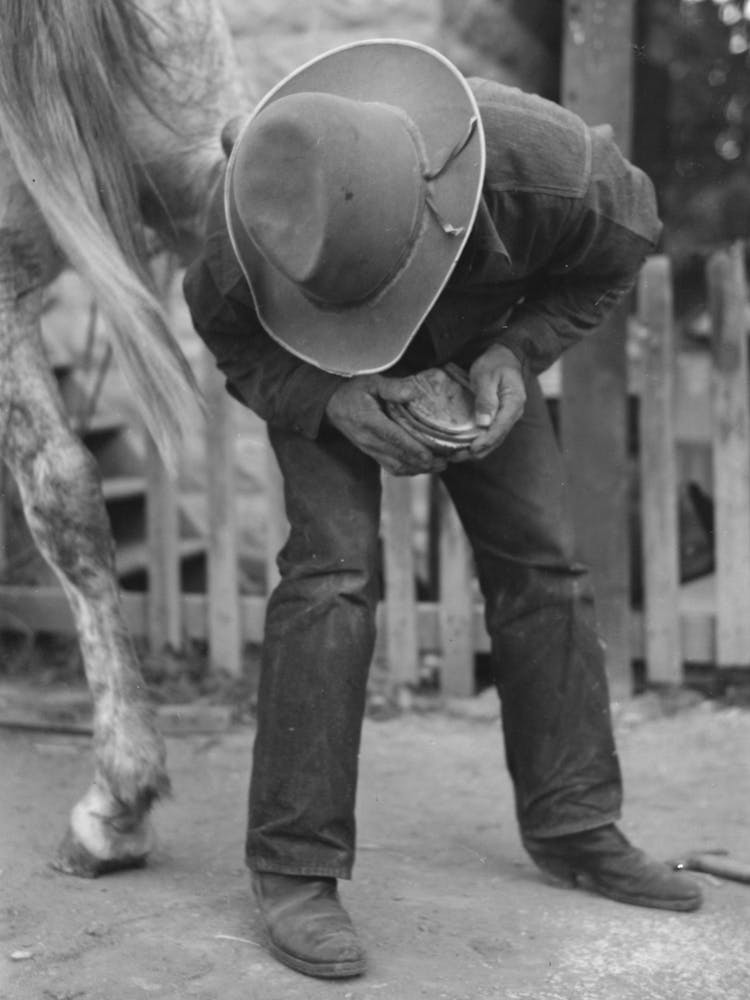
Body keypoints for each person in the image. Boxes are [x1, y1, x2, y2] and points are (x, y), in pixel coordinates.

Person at [183, 39, 702, 980]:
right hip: (321, 361)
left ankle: (576, 824)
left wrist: (516, 354)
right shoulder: (249, 226)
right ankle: (294, 872)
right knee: (331, 574)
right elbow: (233, 343)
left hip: (486, 336)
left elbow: (621, 252)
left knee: (543, 563)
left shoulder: (549, 171)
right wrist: (327, 399)